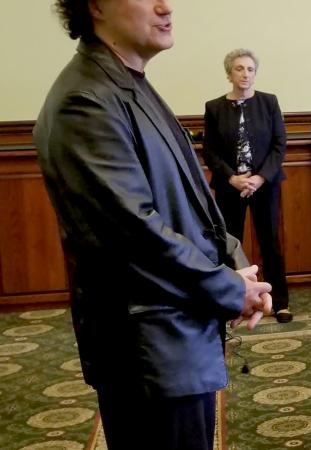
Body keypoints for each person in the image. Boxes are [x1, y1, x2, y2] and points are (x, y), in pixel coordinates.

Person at [34, 1, 272, 449]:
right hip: (147, 350)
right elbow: (134, 234)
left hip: (175, 335)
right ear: (96, 5)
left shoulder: (127, 84)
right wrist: (228, 289)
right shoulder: (84, 100)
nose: (166, 6)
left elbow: (194, 205)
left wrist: (237, 268)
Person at [203, 48, 292, 323]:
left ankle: (280, 303)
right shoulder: (214, 107)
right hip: (230, 185)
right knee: (229, 243)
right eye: (239, 68)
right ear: (229, 73)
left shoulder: (269, 102)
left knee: (271, 243)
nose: (245, 74)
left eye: (250, 69)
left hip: (264, 184)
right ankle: (232, 301)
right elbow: (210, 151)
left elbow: (279, 145)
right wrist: (232, 177)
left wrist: (259, 177)